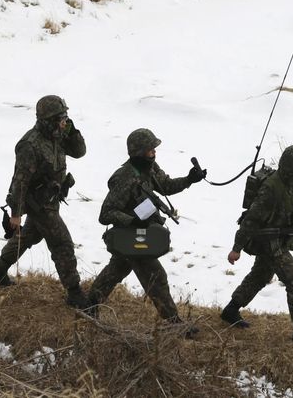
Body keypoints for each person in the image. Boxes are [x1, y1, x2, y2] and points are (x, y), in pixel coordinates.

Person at [86, 128, 206, 327]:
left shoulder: (149, 168)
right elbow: (105, 214)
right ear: (140, 152)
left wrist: (189, 179)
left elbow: (165, 185)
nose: (154, 153)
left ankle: (89, 305)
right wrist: (131, 221)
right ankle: (174, 323)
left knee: (116, 269)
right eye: (151, 150)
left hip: (137, 235)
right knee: (156, 278)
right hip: (132, 236)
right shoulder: (124, 178)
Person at [0, 95, 89, 309]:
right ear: (49, 120)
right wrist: (16, 212)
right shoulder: (30, 145)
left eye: (66, 117)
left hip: (51, 199)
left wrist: (71, 130)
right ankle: (74, 292)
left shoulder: (58, 135)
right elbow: (20, 181)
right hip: (38, 203)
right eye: (61, 118)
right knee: (62, 244)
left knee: (30, 235)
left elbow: (79, 152)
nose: (64, 121)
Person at [221, 145, 293, 348]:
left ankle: (231, 310)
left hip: (280, 240)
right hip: (269, 242)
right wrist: (236, 248)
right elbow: (250, 220)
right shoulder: (271, 189)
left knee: (260, 275)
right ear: (290, 169)